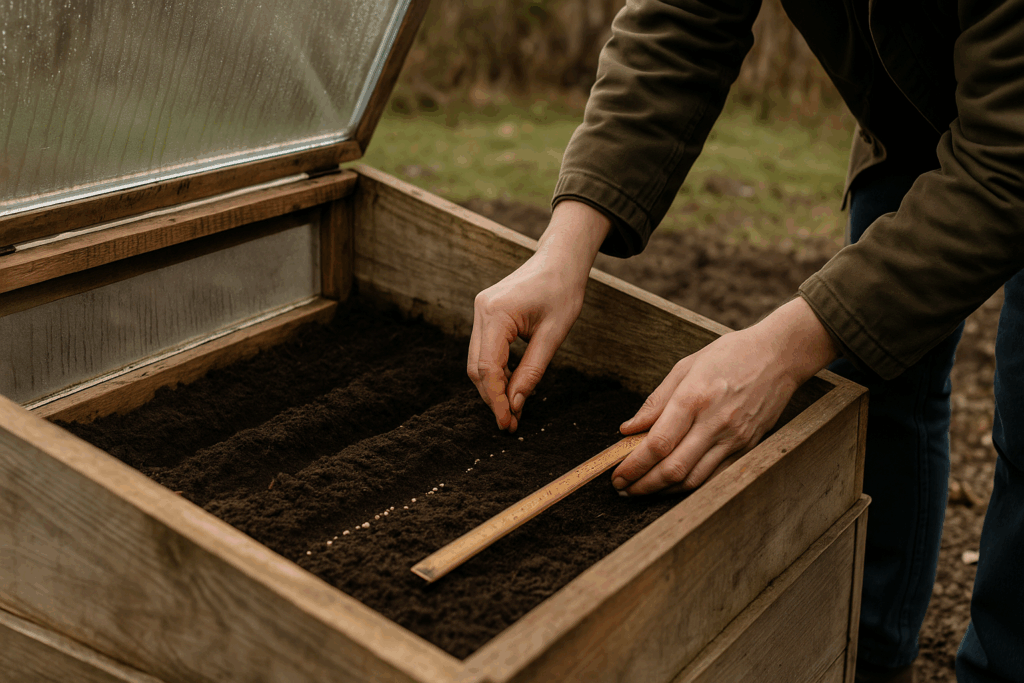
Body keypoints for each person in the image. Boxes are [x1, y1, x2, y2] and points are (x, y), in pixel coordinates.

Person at [465, 1, 1024, 682]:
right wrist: (565, 244)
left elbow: (1010, 162)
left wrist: (780, 349)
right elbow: (682, 19)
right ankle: (866, 654)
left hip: (1011, 145)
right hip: (912, 121)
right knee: (874, 369)